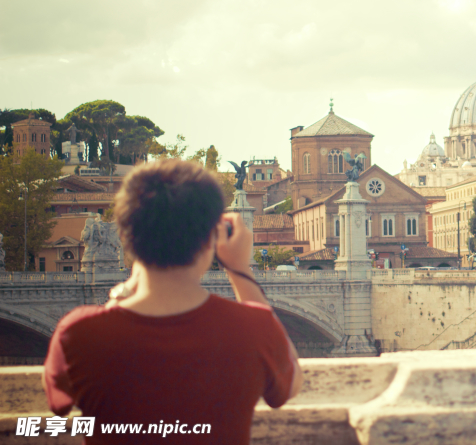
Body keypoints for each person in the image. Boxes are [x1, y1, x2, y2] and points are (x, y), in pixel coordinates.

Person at [44, 159, 303, 443]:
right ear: (211, 239)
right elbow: (288, 388)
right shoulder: (254, 328)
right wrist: (239, 270)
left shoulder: (78, 332)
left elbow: (58, 406)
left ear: (125, 238)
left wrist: (122, 293)